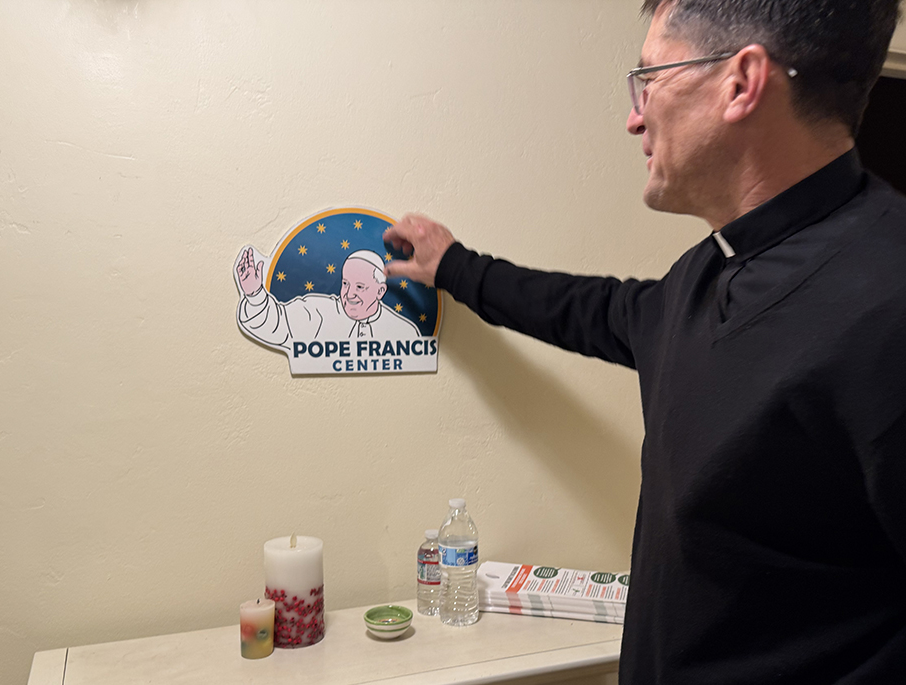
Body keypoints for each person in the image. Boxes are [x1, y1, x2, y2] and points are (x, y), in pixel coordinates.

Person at [384, 1, 906, 682]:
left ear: (741, 83)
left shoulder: (887, 298)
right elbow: (592, 310)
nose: (635, 116)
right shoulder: (707, 276)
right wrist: (455, 267)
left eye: (651, 80)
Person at [237, 248, 419, 350]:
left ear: (380, 291)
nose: (349, 294)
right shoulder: (317, 312)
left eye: (360, 287)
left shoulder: (404, 332)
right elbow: (277, 324)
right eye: (346, 283)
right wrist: (255, 295)